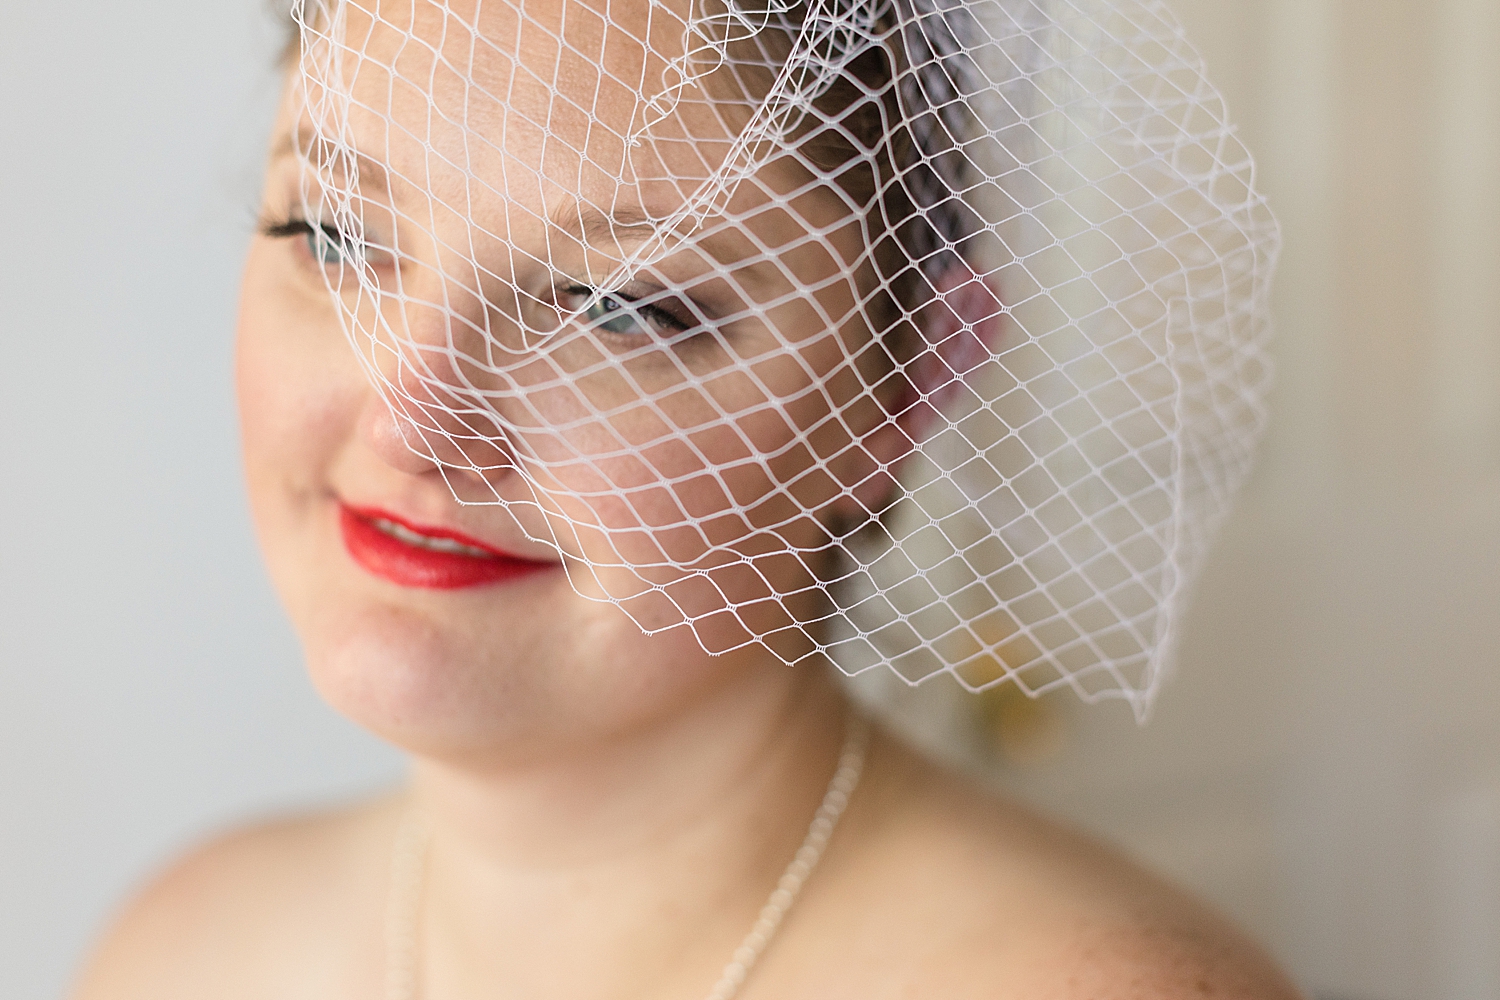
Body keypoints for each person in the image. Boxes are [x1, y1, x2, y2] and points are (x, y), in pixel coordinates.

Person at [72, 0, 1299, 996]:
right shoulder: (180, 950)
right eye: (332, 234)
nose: (413, 421)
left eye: (620, 306)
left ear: (913, 383)